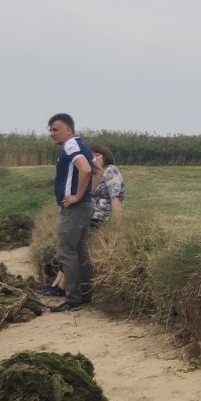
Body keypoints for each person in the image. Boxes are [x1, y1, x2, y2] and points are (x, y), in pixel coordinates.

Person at [42, 145, 124, 299]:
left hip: (100, 218)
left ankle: (62, 286)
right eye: (93, 156)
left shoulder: (111, 170)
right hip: (87, 216)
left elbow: (115, 199)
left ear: (106, 156)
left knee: (72, 247)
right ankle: (58, 283)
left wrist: (116, 227)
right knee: (68, 245)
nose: (95, 159)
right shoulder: (94, 173)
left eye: (98, 155)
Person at [47, 114, 93, 312]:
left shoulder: (70, 145)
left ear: (68, 129)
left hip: (74, 209)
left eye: (55, 129)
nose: (51, 134)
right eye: (50, 130)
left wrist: (77, 195)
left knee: (67, 252)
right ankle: (85, 293)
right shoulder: (82, 144)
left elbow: (86, 169)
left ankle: (73, 298)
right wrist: (88, 194)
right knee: (81, 252)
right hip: (84, 207)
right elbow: (97, 168)